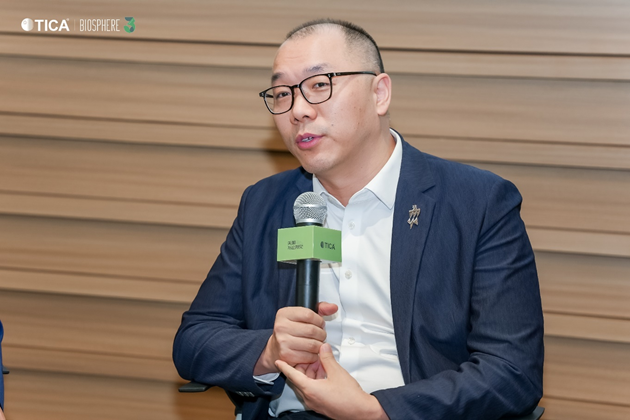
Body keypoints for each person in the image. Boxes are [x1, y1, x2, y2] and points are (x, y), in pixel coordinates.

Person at [173, 18, 544, 420]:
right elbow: (194, 340)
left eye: (319, 85)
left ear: (379, 93)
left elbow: (512, 371)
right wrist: (269, 349)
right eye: (282, 94)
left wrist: (374, 410)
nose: (298, 111)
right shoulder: (264, 202)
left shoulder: (477, 202)